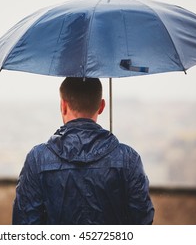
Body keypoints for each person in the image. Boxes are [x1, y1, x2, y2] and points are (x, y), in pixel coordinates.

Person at [12, 77, 154, 224]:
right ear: (102, 106)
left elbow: (25, 226)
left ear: (63, 105)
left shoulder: (38, 159)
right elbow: (142, 221)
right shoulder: (128, 159)